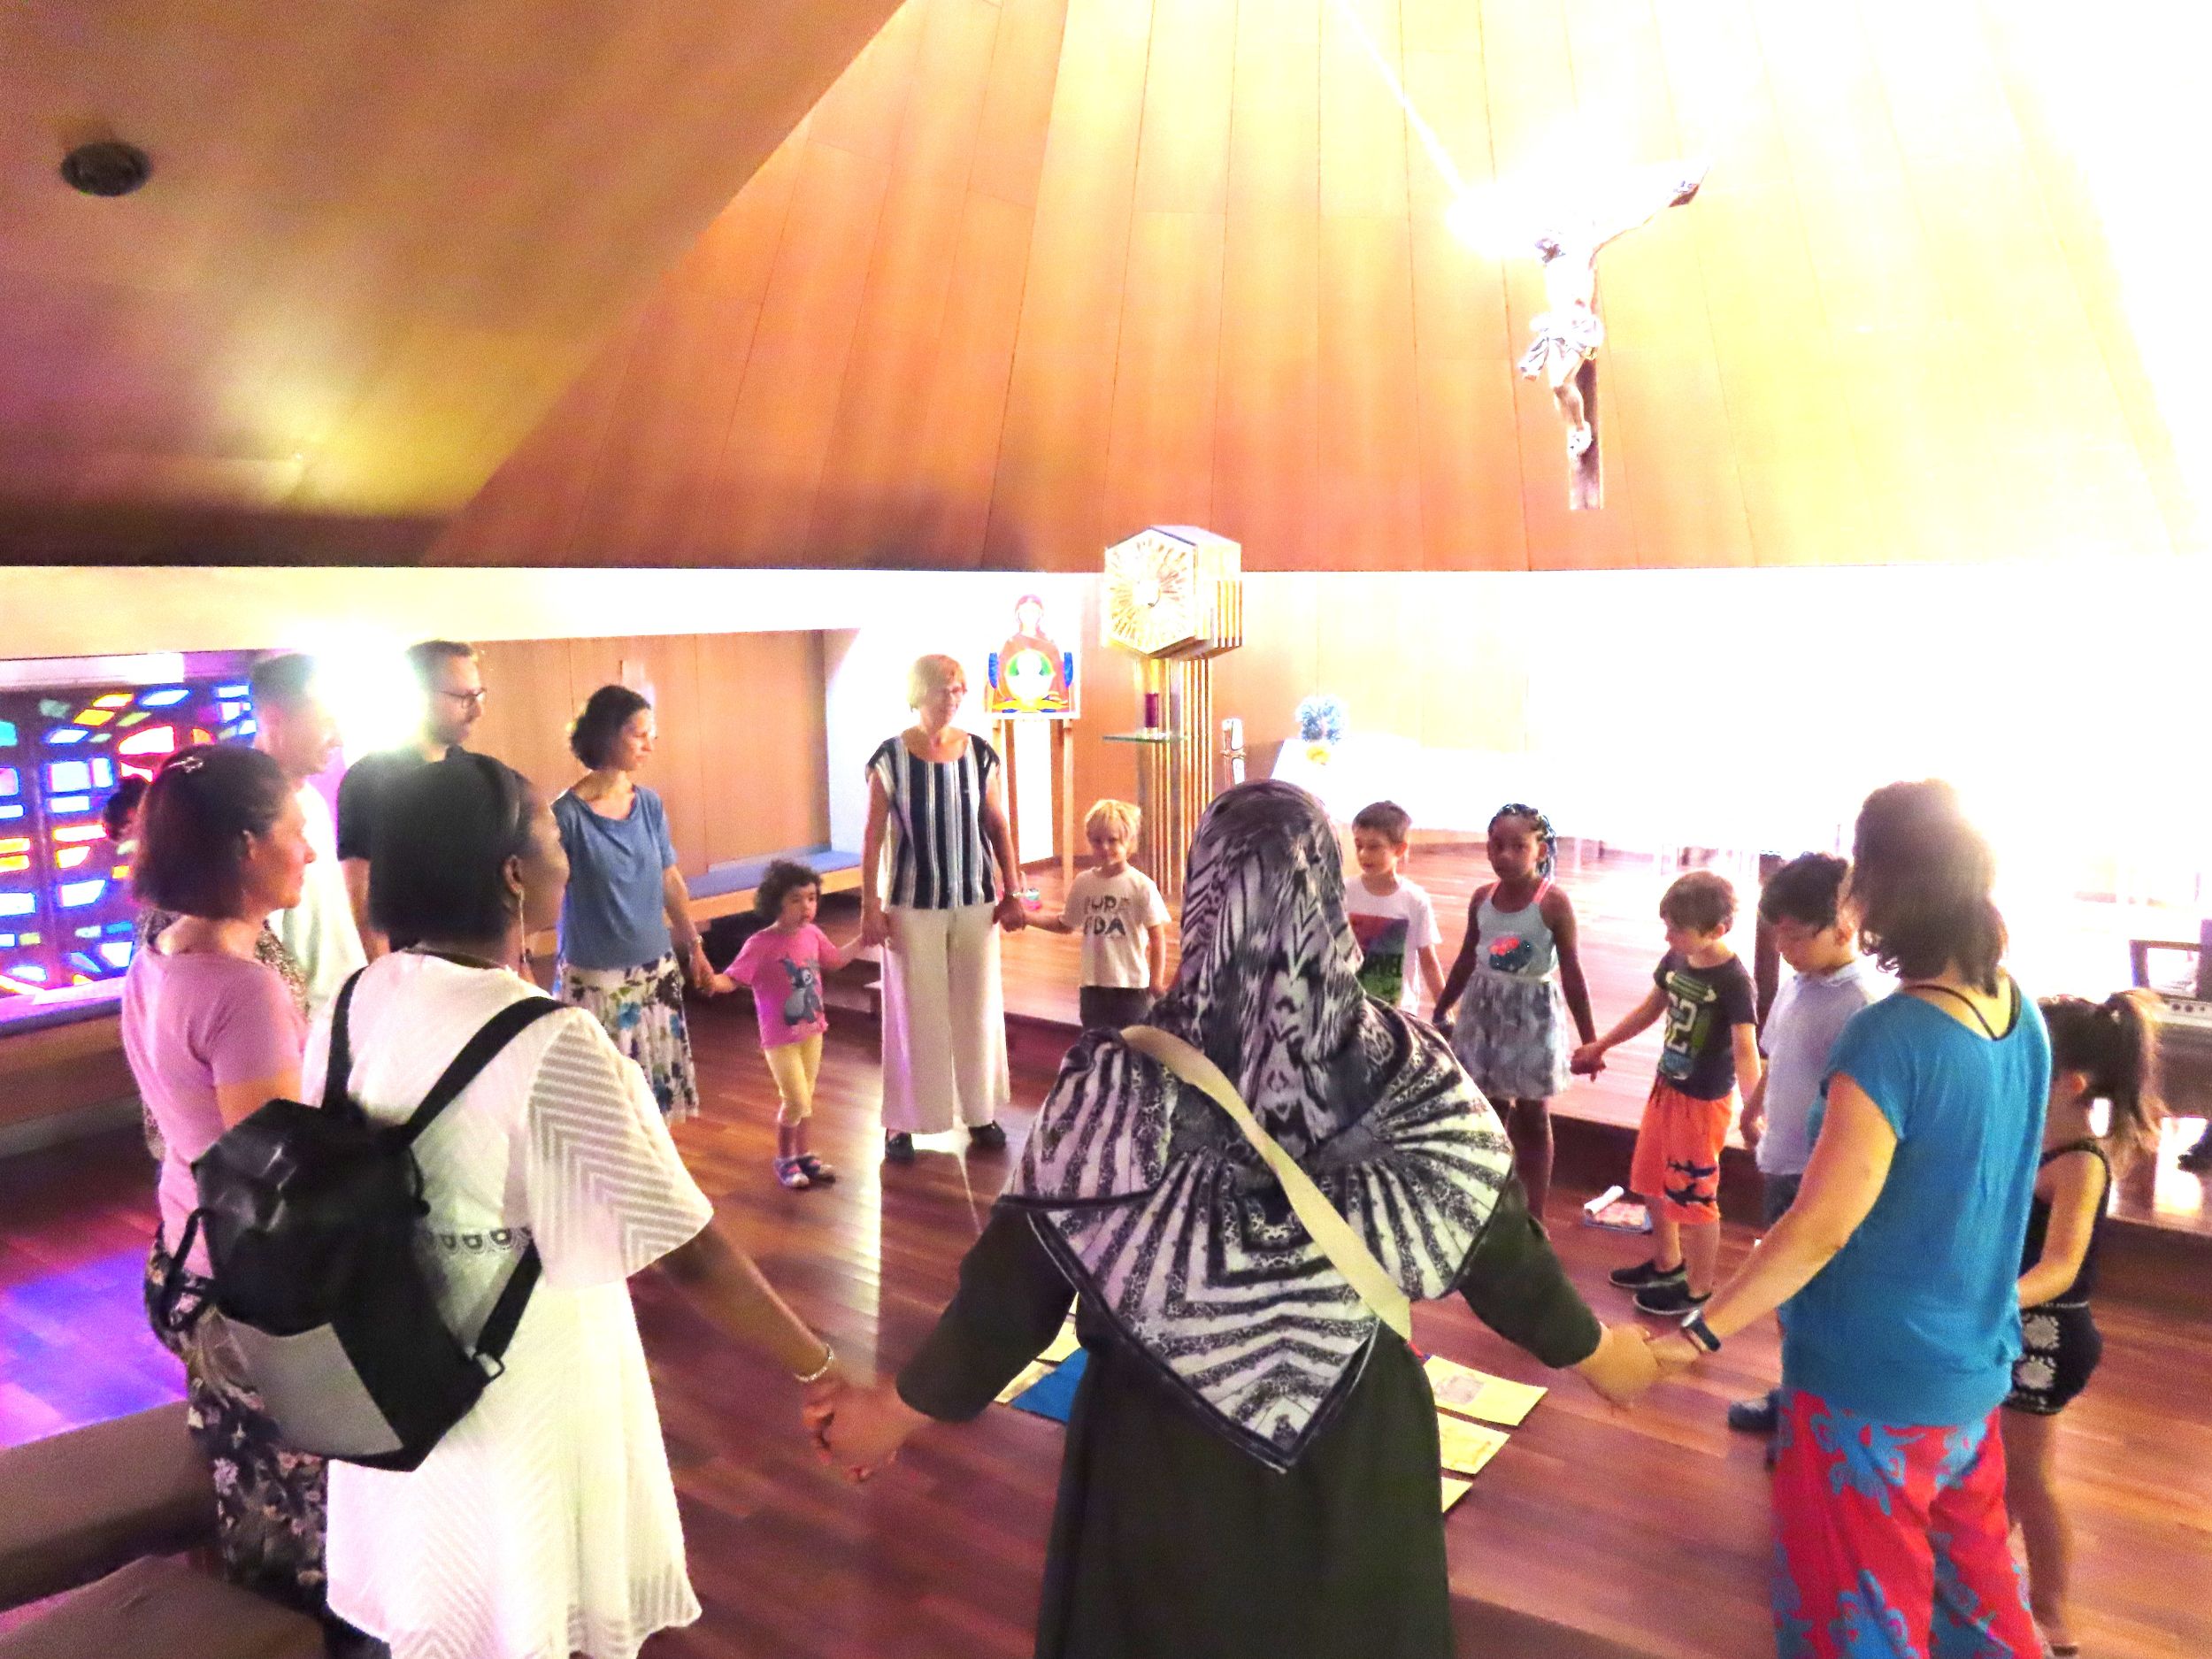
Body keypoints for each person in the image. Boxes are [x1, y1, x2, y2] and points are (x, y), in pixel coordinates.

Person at [818, 781, 1658, 1659]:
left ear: (1199, 903)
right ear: (1328, 899)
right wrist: (1601, 1355)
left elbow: (1009, 1296)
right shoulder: (1415, 1072)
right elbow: (1504, 1254)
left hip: (1161, 1459)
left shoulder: (1116, 1085)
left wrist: (895, 1411)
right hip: (1354, 1446)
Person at [315, 749, 847, 1659]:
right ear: (512, 875)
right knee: (526, 1594)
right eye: (551, 835)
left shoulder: (355, 998)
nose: (567, 849)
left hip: (391, 1357)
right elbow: (687, 1249)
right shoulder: (550, 1040)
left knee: (439, 1590)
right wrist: (819, 1367)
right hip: (514, 1372)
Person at [1645, 780, 2047, 1659]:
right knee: (1981, 1604)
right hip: (1969, 1370)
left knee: (1859, 1619)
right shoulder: (2020, 1013)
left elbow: (1818, 1228)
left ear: (1883, 885)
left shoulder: (1892, 1037)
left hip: (1870, 1383)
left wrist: (1694, 1337)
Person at [117, 745, 329, 1617]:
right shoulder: (240, 987)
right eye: (295, 832)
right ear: (245, 846)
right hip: (241, 1285)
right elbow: (272, 1170)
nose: (308, 851)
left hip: (182, 1251)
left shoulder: (162, 947)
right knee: (300, 1525)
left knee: (247, 1483)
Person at [2002, 991, 2162, 1658]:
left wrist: (1989, 1301)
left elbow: (2061, 1266)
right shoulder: (2030, 1135)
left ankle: (2050, 1611)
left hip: (2047, 1335)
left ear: (2068, 1082)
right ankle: (1979, 1576)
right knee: (1999, 1469)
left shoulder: (2080, 1161)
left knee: (2028, 1476)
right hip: (2014, 1325)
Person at [1724, 853, 1885, 1439]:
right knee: (1787, 1296)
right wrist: (1752, 1109)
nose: (1783, 947)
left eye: (1794, 936)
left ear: (1844, 926)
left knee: (1820, 1299)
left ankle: (1820, 1413)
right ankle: (1795, 1393)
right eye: (1777, 934)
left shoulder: (1862, 1003)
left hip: (1816, 1173)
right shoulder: (1798, 984)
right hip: (1782, 1161)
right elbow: (1776, 1054)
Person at [860, 654, 1026, 1164]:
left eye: (959, 689)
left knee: (977, 1007)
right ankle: (903, 1122)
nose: (953, 698)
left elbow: (997, 824)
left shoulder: (979, 753)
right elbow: (872, 835)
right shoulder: (890, 757)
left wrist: (1013, 890)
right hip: (912, 903)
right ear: (920, 692)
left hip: (975, 899)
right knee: (914, 1013)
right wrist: (870, 904)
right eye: (944, 689)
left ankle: (979, 1112)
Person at [1572, 869, 1761, 1315]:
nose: (1668, 937)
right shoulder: (1678, 959)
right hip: (1666, 1088)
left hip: (1703, 1102)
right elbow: (1650, 1008)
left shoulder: (1734, 981)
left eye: (1677, 929)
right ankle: (1667, 1264)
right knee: (1651, 1178)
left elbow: (1745, 1049)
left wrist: (1753, 1112)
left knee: (1694, 1194)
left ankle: (1699, 1289)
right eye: (1667, 926)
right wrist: (1602, 1045)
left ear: (1717, 930)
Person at [550, 685, 724, 1122]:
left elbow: (669, 880)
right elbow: (543, 896)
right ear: (607, 734)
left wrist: (694, 947)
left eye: (652, 734)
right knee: (608, 1107)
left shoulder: (648, 804)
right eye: (638, 734)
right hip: (597, 977)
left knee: (654, 1104)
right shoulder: (565, 816)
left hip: (655, 971)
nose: (649, 744)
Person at [1433, 802, 1595, 1223]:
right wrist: (1443, 1005)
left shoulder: (1552, 903)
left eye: (1518, 846)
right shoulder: (1482, 898)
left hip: (1531, 1016)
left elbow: (1573, 973)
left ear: (1540, 850)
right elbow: (1467, 957)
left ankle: (1534, 1215)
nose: (1504, 855)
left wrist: (1590, 1041)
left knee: (1533, 1114)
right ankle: (1488, 1201)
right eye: (1496, 845)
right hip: (1483, 1013)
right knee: (1486, 1109)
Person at [336, 639, 485, 959]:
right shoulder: (371, 779)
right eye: (463, 698)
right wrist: (385, 975)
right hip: (412, 966)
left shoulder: (472, 772)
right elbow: (364, 900)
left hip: (475, 960)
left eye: (479, 695)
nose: (477, 711)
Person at [730, 858, 859, 1190]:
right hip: (779, 1038)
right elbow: (732, 978)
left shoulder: (812, 934)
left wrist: (864, 939)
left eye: (812, 898)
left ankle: (803, 1154)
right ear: (776, 902)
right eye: (796, 900)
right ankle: (784, 1159)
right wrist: (708, 980)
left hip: (813, 1032)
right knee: (796, 1100)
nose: (806, 907)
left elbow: (835, 960)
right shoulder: (760, 944)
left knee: (806, 1098)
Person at [251, 652, 366, 1017]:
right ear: (274, 718)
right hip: (301, 1026)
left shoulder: (311, 800)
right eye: (327, 722)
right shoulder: (248, 812)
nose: (339, 739)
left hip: (345, 1012)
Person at [1029, 797, 1171, 1031]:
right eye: (1097, 841)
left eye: (1112, 840)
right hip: (1093, 988)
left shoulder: (1141, 886)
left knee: (1131, 1045)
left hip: (1132, 988)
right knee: (1095, 1043)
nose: (1104, 847)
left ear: (1129, 841)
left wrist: (1155, 981)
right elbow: (1065, 924)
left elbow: (1157, 938)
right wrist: (1026, 918)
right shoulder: (1084, 883)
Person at [1343, 799, 1444, 1013]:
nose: (1363, 854)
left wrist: (1444, 1012)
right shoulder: (1343, 892)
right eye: (1359, 845)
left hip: (1397, 1013)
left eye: (1374, 847)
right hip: (1348, 1007)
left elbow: (1428, 962)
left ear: (1400, 849)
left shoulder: (1415, 900)